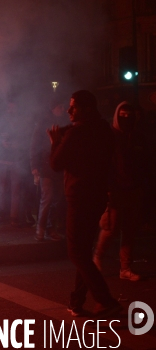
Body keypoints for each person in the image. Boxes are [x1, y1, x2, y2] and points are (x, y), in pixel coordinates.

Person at [48, 90, 121, 318]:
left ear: (87, 109)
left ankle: (105, 300)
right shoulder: (104, 130)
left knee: (76, 253)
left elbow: (55, 164)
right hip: (97, 197)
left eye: (74, 107)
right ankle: (77, 301)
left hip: (79, 197)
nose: (69, 111)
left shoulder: (75, 134)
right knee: (84, 251)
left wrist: (55, 143)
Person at [93, 101, 147, 281]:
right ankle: (97, 258)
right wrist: (106, 188)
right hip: (115, 189)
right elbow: (103, 164)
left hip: (133, 189)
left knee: (129, 230)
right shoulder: (110, 136)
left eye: (128, 115)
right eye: (122, 115)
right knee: (111, 227)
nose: (126, 118)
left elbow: (144, 163)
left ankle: (125, 267)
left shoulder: (136, 136)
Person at [30, 97, 67, 241]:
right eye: (60, 107)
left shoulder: (64, 123)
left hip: (58, 168)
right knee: (47, 199)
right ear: (53, 108)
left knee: (56, 200)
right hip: (46, 168)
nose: (62, 110)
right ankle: (41, 229)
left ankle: (49, 229)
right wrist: (34, 166)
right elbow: (34, 145)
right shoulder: (43, 124)